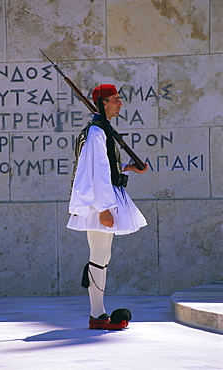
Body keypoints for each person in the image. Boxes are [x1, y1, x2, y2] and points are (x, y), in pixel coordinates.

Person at [67, 84, 148, 330]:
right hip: (98, 202)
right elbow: (95, 172)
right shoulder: (96, 132)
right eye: (115, 99)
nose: (120, 103)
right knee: (99, 255)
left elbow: (106, 167)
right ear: (103, 103)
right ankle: (97, 315)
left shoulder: (101, 130)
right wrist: (103, 208)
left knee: (102, 255)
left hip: (103, 198)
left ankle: (98, 312)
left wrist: (127, 168)